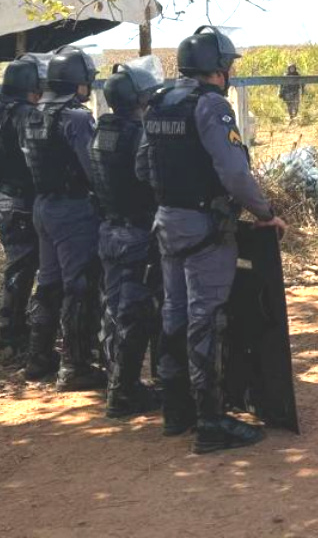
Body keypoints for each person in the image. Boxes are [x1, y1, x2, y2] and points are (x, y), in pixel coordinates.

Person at [139, 26, 288, 453]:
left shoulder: (159, 103)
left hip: (166, 220)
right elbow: (235, 172)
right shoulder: (211, 107)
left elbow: (144, 167)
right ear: (218, 68)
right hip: (203, 227)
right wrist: (265, 214)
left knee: (175, 313)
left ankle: (175, 412)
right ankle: (210, 421)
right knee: (206, 319)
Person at [20, 46, 104, 390]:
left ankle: (37, 358)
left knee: (49, 283)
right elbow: (93, 168)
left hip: (43, 206)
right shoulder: (77, 118)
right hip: (72, 210)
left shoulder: (34, 113)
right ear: (78, 83)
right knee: (79, 285)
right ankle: (75, 366)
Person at [91, 61, 164, 419]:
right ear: (139, 99)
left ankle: (115, 380)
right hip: (136, 232)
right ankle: (125, 392)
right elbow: (151, 178)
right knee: (136, 313)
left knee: (112, 308)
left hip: (109, 231)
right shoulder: (140, 134)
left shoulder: (102, 130)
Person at [0, 55, 43, 352]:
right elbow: (34, 158)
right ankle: (12, 330)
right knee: (22, 266)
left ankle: (16, 324)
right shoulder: (24, 115)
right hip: (18, 198)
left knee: (21, 263)